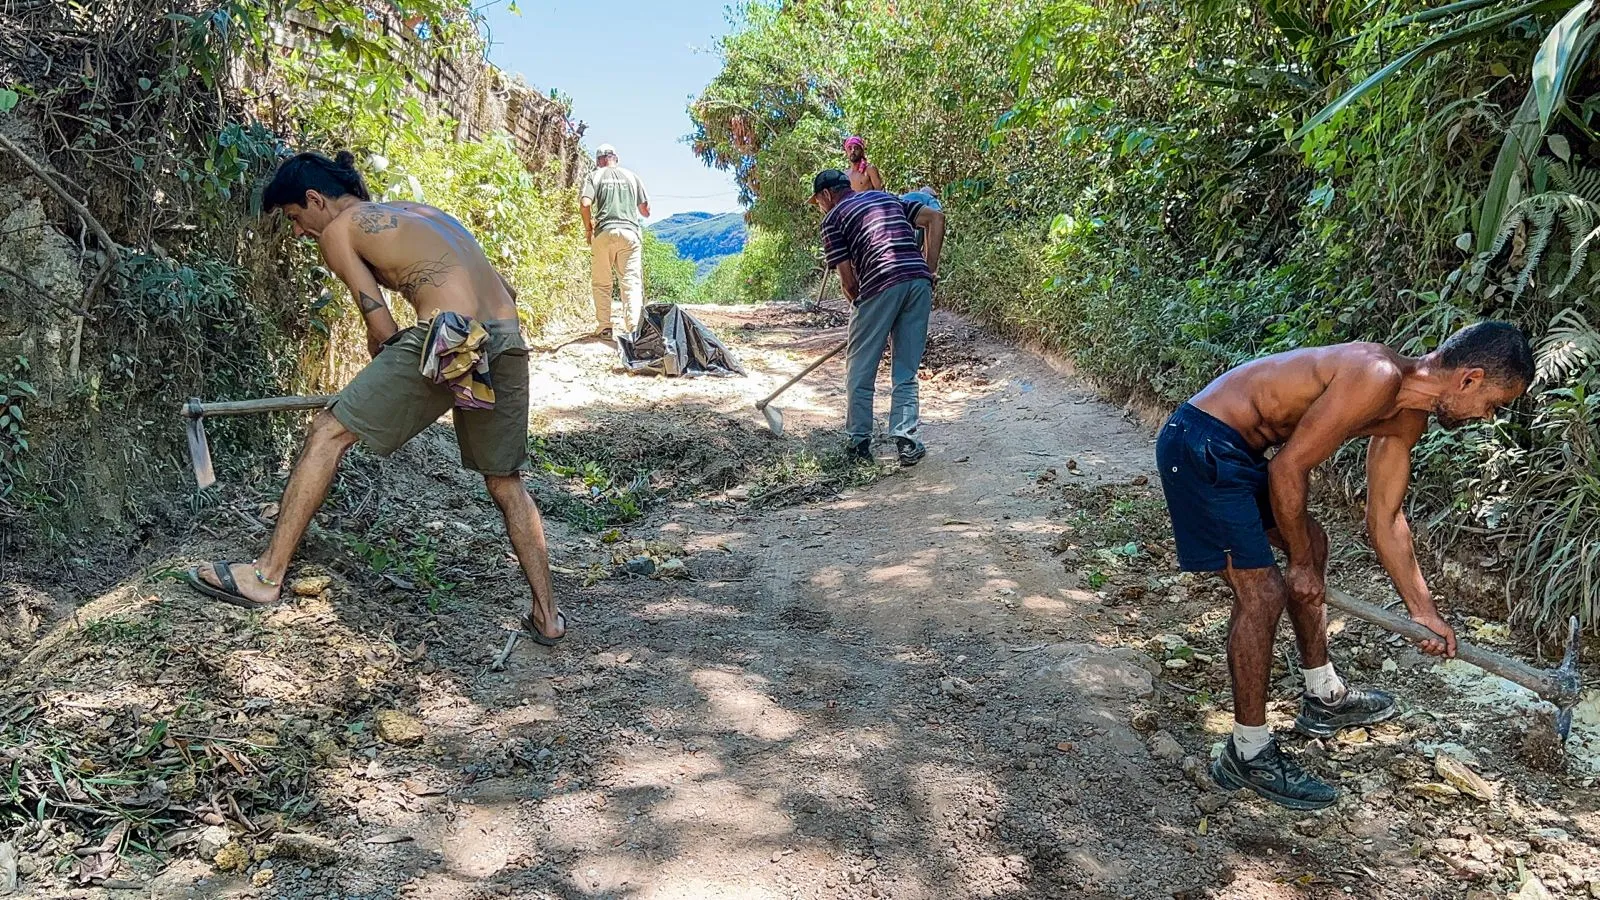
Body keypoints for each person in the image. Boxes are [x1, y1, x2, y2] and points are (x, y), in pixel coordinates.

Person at [183, 151, 567, 646]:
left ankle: (264, 576)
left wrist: (386, 356)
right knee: (505, 481)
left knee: (328, 431)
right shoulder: (424, 215)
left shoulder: (341, 229)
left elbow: (383, 326)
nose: (301, 233)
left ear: (315, 200)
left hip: (449, 336)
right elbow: (503, 287)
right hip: (506, 339)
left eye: (296, 219)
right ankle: (548, 615)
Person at [1156, 322, 1534, 810]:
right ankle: (1246, 753)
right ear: (1469, 378)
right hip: (1200, 442)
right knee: (1265, 592)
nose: (1487, 416)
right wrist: (1300, 566)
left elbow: (1386, 520)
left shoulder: (1406, 419)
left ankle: (1322, 695)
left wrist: (1423, 610)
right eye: (1493, 404)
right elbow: (1287, 468)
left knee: (1314, 540)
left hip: (1240, 453)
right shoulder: (1374, 374)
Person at [810, 168, 946, 467]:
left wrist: (861, 309)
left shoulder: (833, 219)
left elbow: (848, 283)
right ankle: (906, 441)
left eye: (817, 201)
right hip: (917, 282)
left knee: (860, 370)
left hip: (879, 284)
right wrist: (929, 269)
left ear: (827, 195)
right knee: (905, 370)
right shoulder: (888, 198)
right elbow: (935, 218)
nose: (819, 206)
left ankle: (859, 445)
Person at [580, 144, 651, 338]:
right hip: (629, 234)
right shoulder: (632, 176)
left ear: (599, 161)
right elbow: (645, 211)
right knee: (631, 282)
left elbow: (585, 204)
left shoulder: (594, 176)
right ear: (615, 158)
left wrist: (588, 229)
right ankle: (635, 329)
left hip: (603, 232)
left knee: (602, 283)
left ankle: (604, 327)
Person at [900, 185, 942, 250]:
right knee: (929, 225)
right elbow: (938, 217)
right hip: (911, 218)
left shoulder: (909, 196)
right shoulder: (930, 198)